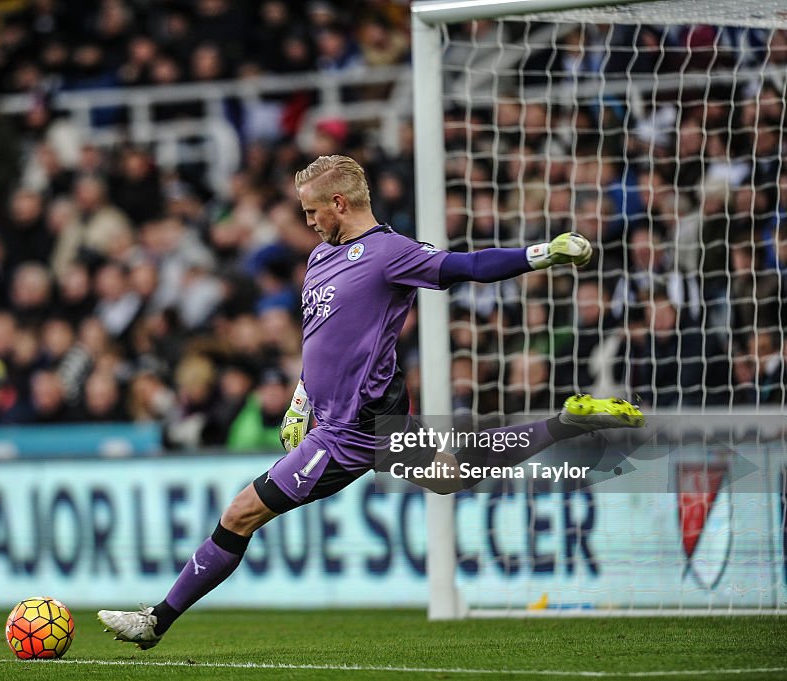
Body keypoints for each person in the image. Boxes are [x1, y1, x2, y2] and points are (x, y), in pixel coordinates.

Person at [96, 155, 644, 648]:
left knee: (240, 513)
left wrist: (542, 254)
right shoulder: (318, 257)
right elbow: (319, 339)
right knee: (450, 475)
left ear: (340, 203)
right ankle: (563, 424)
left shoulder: (389, 253)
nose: (307, 221)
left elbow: (465, 267)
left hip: (353, 428)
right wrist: (299, 397)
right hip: (346, 420)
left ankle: (155, 622)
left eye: (312, 210)